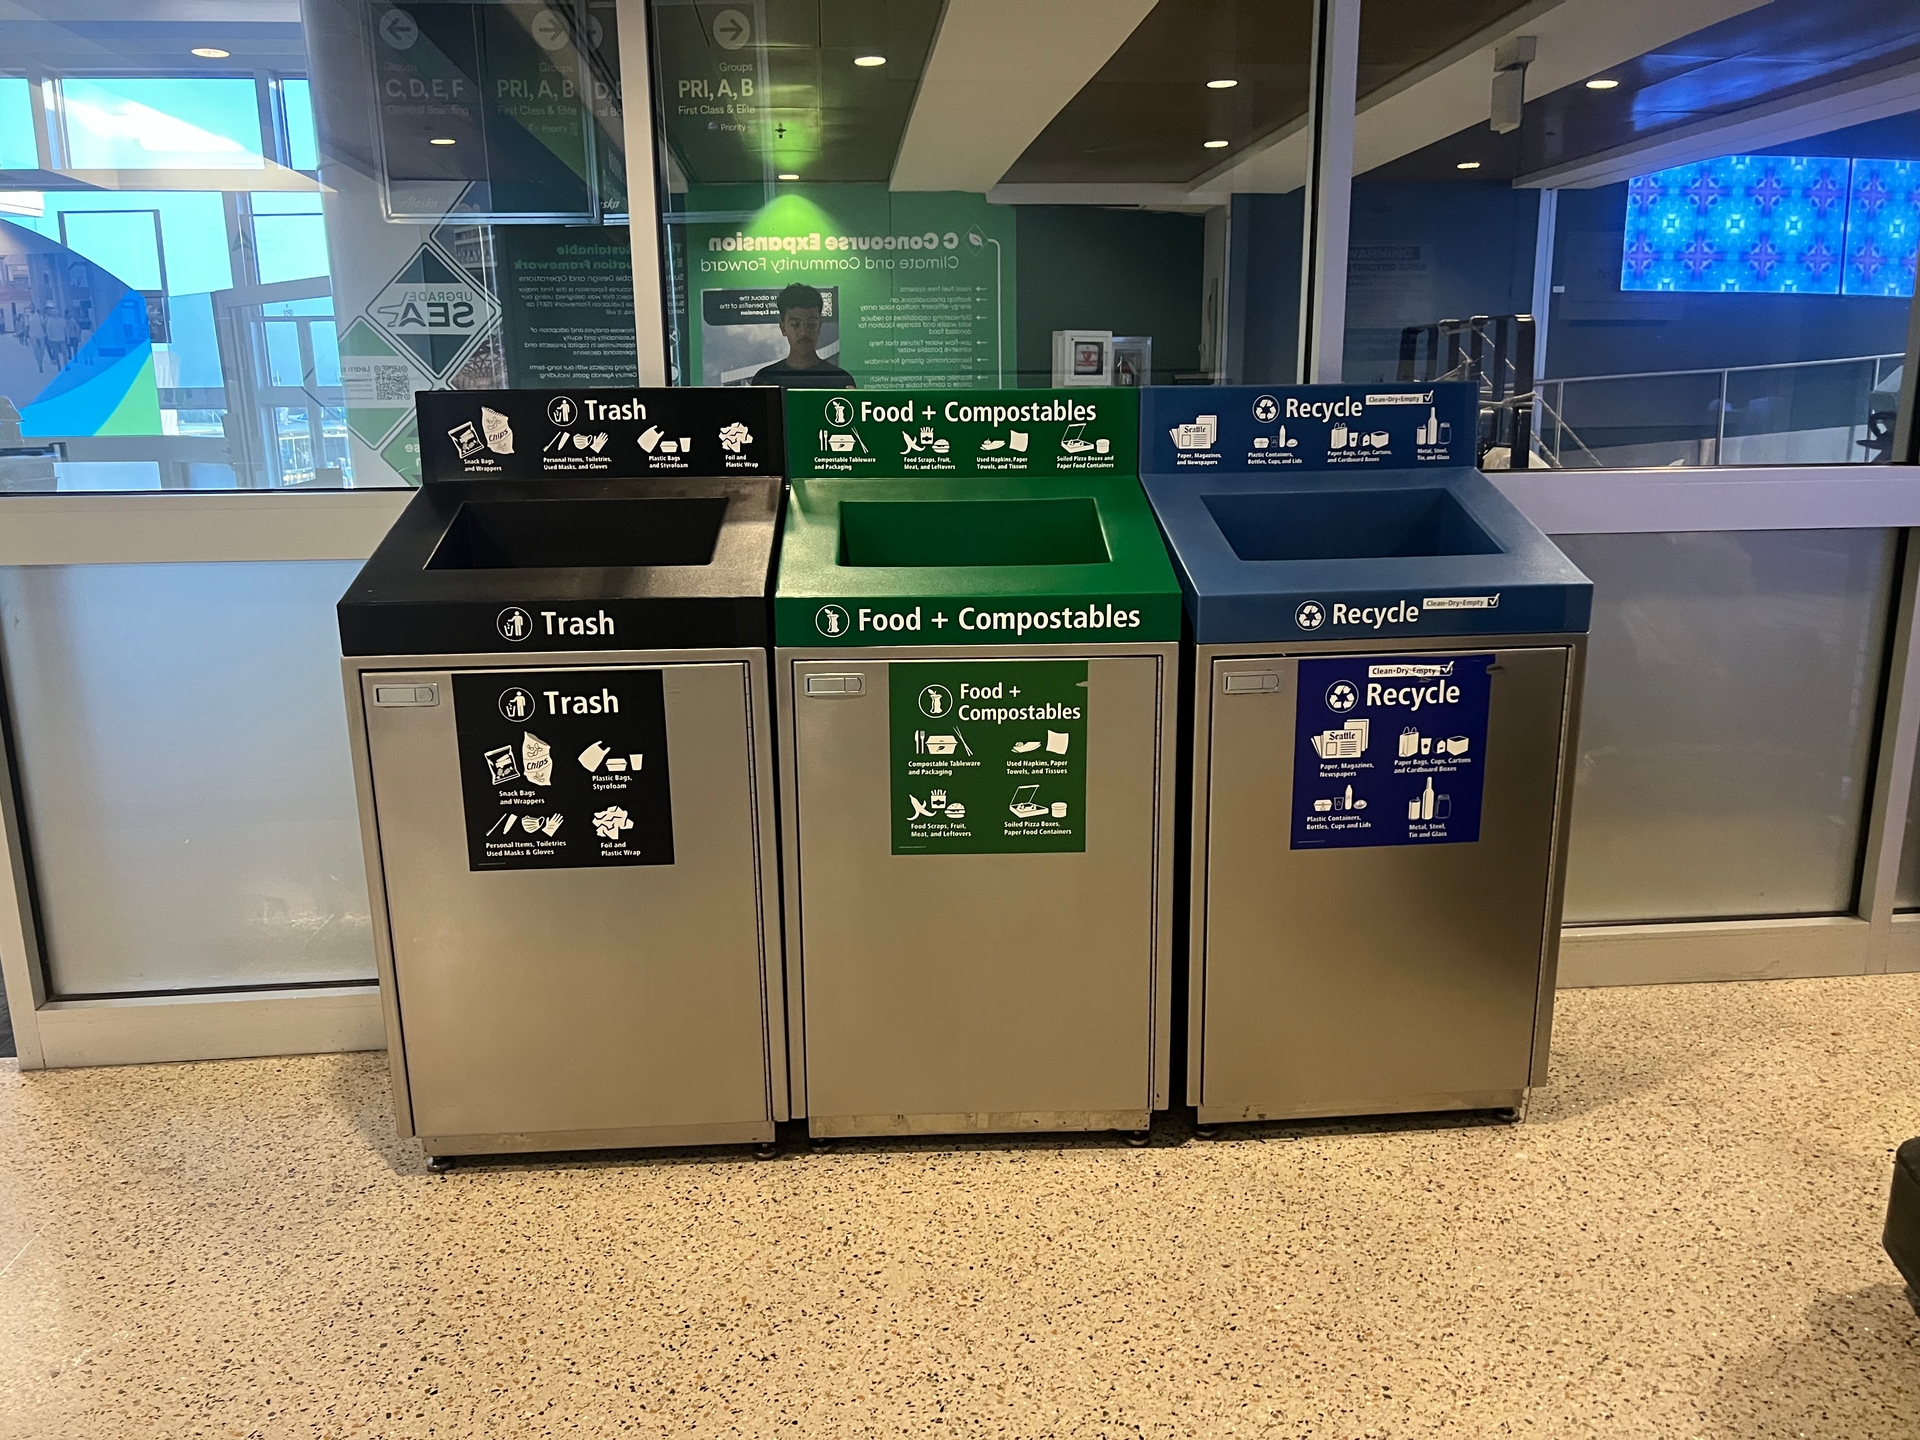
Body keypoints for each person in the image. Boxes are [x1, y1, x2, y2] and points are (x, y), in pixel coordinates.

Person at [751, 282, 855, 389]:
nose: (803, 332)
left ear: (819, 327)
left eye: (811, 324)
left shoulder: (840, 381)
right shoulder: (764, 380)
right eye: (795, 324)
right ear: (783, 328)